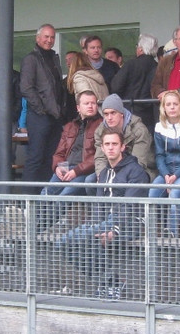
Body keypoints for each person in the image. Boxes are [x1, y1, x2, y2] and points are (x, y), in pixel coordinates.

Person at [56, 128, 150, 300]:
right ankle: (110, 281)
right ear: (102, 148)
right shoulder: (104, 173)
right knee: (64, 243)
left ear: (123, 147)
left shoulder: (136, 171)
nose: (111, 148)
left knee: (72, 240)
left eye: (114, 144)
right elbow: (99, 205)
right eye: (107, 144)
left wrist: (115, 230)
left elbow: (130, 207)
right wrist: (95, 226)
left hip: (133, 223)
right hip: (107, 222)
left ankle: (110, 283)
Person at [147, 90, 180, 236]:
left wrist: (176, 175)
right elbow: (159, 155)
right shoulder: (159, 126)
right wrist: (165, 175)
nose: (172, 107)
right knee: (153, 193)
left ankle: (172, 233)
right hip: (166, 172)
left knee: (175, 193)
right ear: (163, 107)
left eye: (175, 104)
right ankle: (153, 232)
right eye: (168, 104)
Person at [20, 24, 67, 188]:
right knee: (35, 157)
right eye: (46, 36)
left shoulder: (54, 58)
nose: (49, 40)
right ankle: (27, 199)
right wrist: (41, 109)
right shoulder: (31, 59)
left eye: (52, 37)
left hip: (54, 116)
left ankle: (45, 196)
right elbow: (26, 87)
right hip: (39, 116)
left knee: (51, 158)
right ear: (38, 38)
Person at [43, 90, 102, 198]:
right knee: (45, 194)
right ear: (78, 108)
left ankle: (53, 210)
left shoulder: (102, 126)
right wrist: (57, 167)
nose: (90, 106)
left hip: (86, 172)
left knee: (64, 197)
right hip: (66, 169)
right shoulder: (70, 126)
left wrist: (76, 171)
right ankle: (31, 211)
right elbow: (59, 153)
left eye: (93, 103)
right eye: (86, 103)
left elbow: (99, 156)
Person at [93, 94, 156, 180]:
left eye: (113, 113)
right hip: (111, 168)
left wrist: (116, 177)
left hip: (143, 170)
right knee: (91, 180)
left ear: (121, 113)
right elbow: (100, 158)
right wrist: (102, 176)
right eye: (106, 114)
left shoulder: (139, 130)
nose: (109, 118)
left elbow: (139, 162)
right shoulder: (100, 131)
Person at [110, 33, 159, 130]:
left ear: (140, 49)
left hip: (130, 111)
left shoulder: (131, 64)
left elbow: (116, 87)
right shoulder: (158, 66)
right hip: (151, 114)